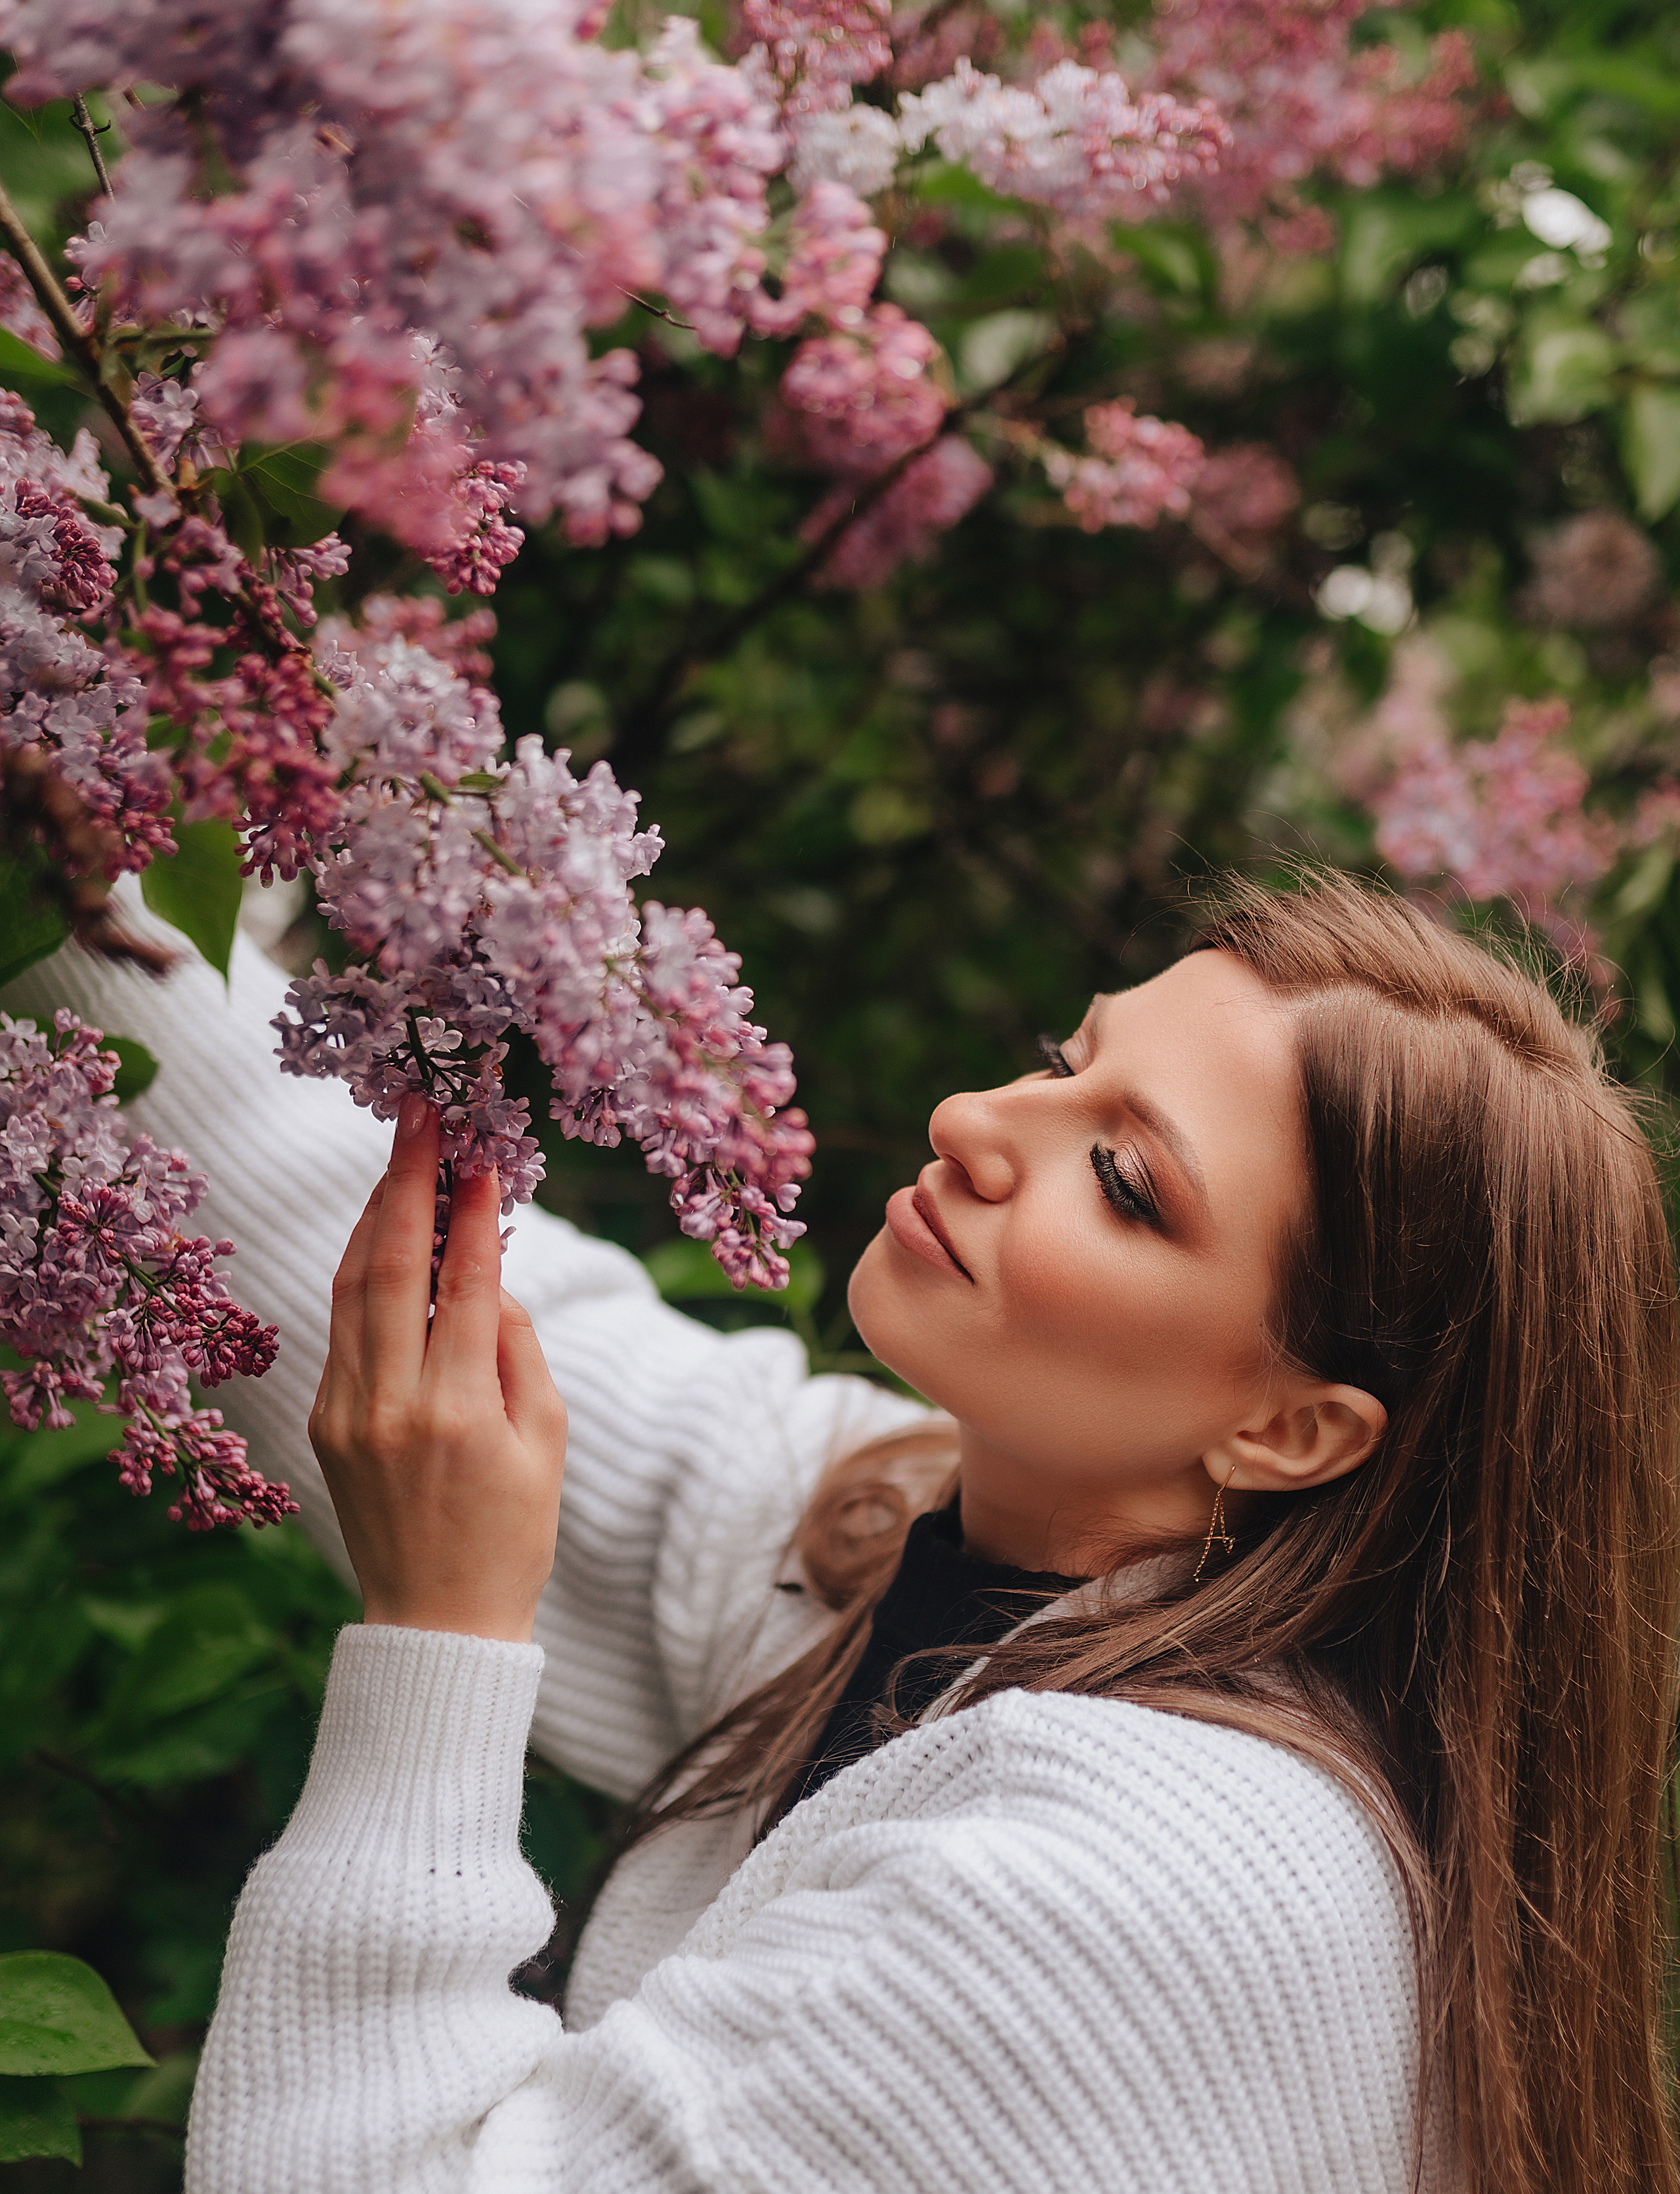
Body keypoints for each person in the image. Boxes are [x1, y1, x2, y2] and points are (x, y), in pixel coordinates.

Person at [14, 868, 1679, 2194]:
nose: (975, 1121)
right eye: (1063, 1061)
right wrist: (64, 840)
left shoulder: (1140, 1902)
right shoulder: (908, 1529)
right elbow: (402, 1276)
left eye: (1122, 1179)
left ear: (1290, 1430)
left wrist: (442, 1635)